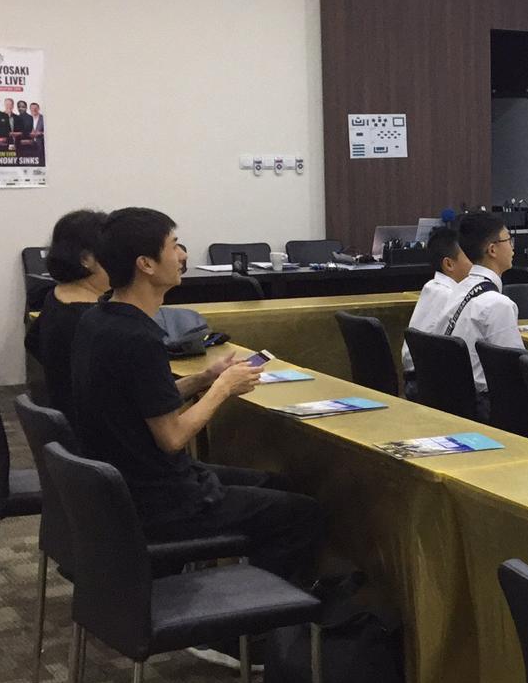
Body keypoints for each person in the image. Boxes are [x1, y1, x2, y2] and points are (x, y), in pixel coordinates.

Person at [70, 207, 323, 586]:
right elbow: (171, 437)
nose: (183, 255)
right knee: (304, 514)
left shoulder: (98, 320)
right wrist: (223, 389)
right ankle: (259, 626)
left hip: (127, 484)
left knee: (276, 487)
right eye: (173, 246)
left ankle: (243, 601)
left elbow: (137, 403)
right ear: (146, 264)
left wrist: (203, 379)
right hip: (159, 499)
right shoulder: (139, 339)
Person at [24, 210, 109, 420]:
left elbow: (32, 342)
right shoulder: (93, 319)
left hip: (64, 421)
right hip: (91, 434)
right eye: (113, 251)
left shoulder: (56, 296)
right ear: (87, 259)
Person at [439, 212, 523, 421]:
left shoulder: (457, 290)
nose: (512, 247)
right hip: (485, 407)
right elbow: (514, 371)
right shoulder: (498, 304)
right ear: (492, 249)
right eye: (508, 240)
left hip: (454, 399)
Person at [401, 226, 471, 398]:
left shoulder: (432, 287)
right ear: (449, 264)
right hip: (431, 387)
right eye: (469, 256)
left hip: (417, 382)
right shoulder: (452, 296)